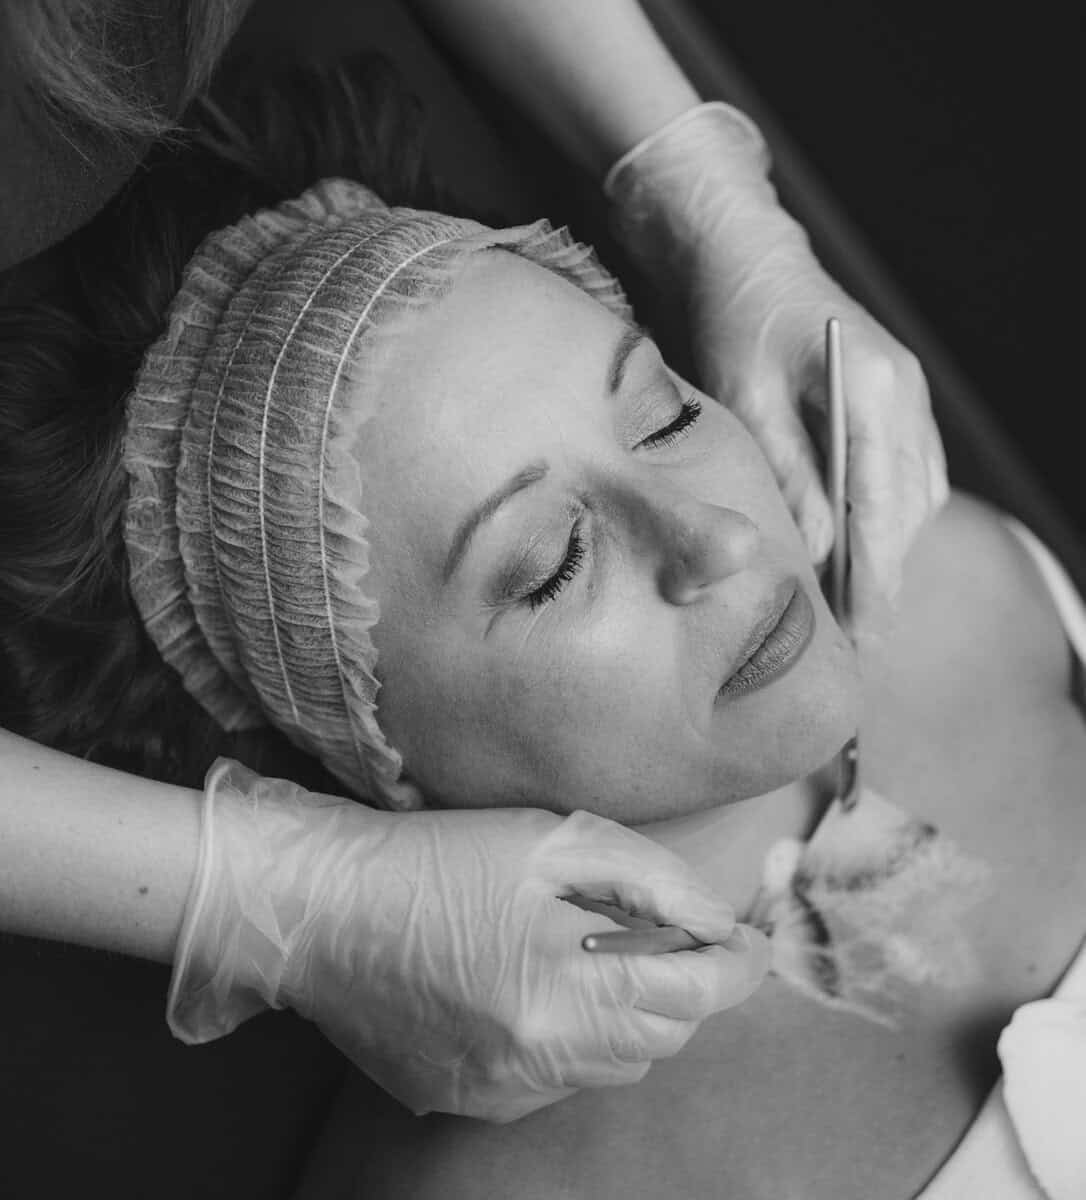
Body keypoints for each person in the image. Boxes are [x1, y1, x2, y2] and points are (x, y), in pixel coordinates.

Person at [4, 58, 1083, 1199]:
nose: (715, 538)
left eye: (662, 412)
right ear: (373, 763)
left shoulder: (965, 587)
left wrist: (708, 189)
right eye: (552, 563)